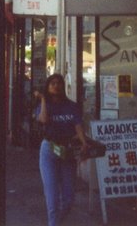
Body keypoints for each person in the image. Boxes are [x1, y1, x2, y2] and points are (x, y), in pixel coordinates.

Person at [34, 73, 87, 226]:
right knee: (52, 198)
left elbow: (78, 126)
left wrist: (84, 143)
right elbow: (43, 119)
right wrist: (43, 99)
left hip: (67, 152)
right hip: (49, 151)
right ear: (48, 87)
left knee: (69, 198)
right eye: (52, 83)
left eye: (59, 83)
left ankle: (56, 222)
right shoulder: (44, 106)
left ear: (64, 86)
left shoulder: (72, 106)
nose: (56, 86)